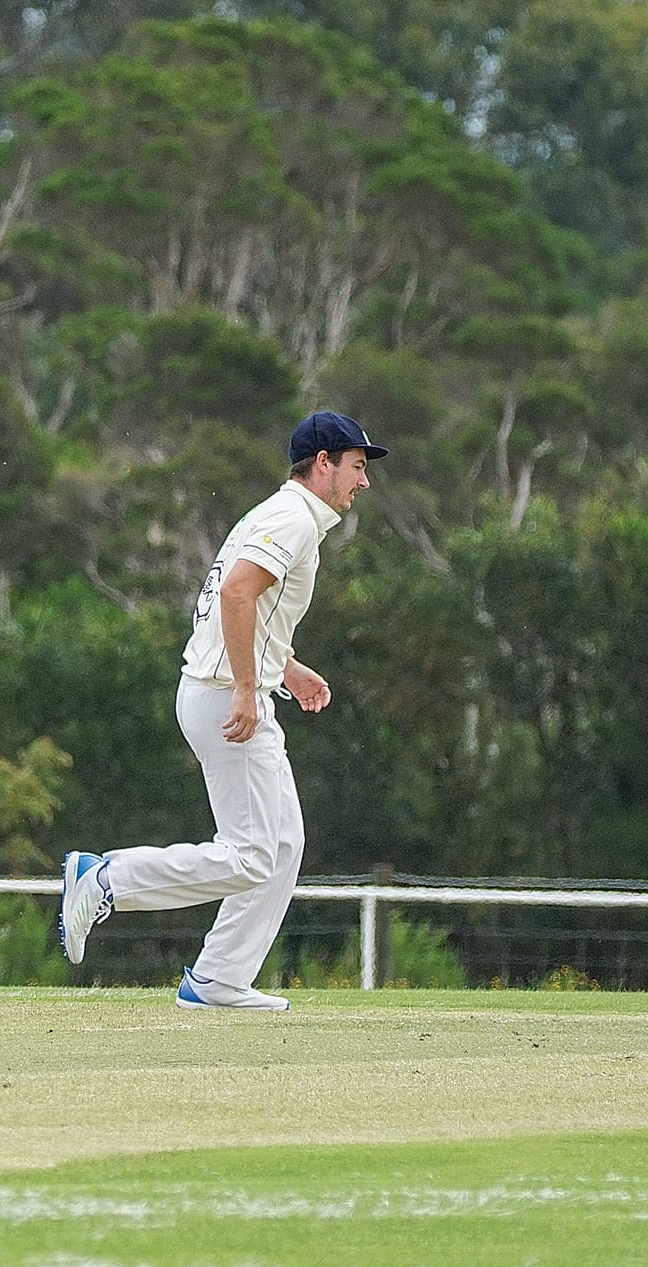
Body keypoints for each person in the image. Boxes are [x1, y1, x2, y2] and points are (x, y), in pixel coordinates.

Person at [60, 411, 386, 1010]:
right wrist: (245, 687)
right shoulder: (292, 517)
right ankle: (106, 880)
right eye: (357, 467)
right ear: (324, 464)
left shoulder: (281, 513)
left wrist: (283, 667)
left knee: (283, 846)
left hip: (228, 689)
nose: (363, 481)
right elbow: (236, 592)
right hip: (225, 697)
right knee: (253, 855)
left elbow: (240, 606)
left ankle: (218, 980)